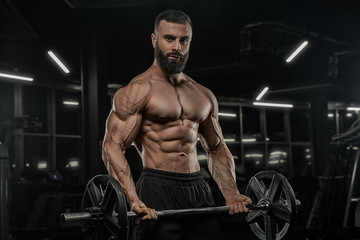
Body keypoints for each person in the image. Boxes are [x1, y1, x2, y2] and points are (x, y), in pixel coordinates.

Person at [102, 9, 252, 240]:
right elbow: (113, 147)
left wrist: (231, 194)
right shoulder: (138, 90)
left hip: (198, 187)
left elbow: (216, 148)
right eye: (169, 38)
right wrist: (132, 199)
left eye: (184, 40)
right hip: (156, 187)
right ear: (155, 39)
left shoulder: (203, 94)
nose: (177, 47)